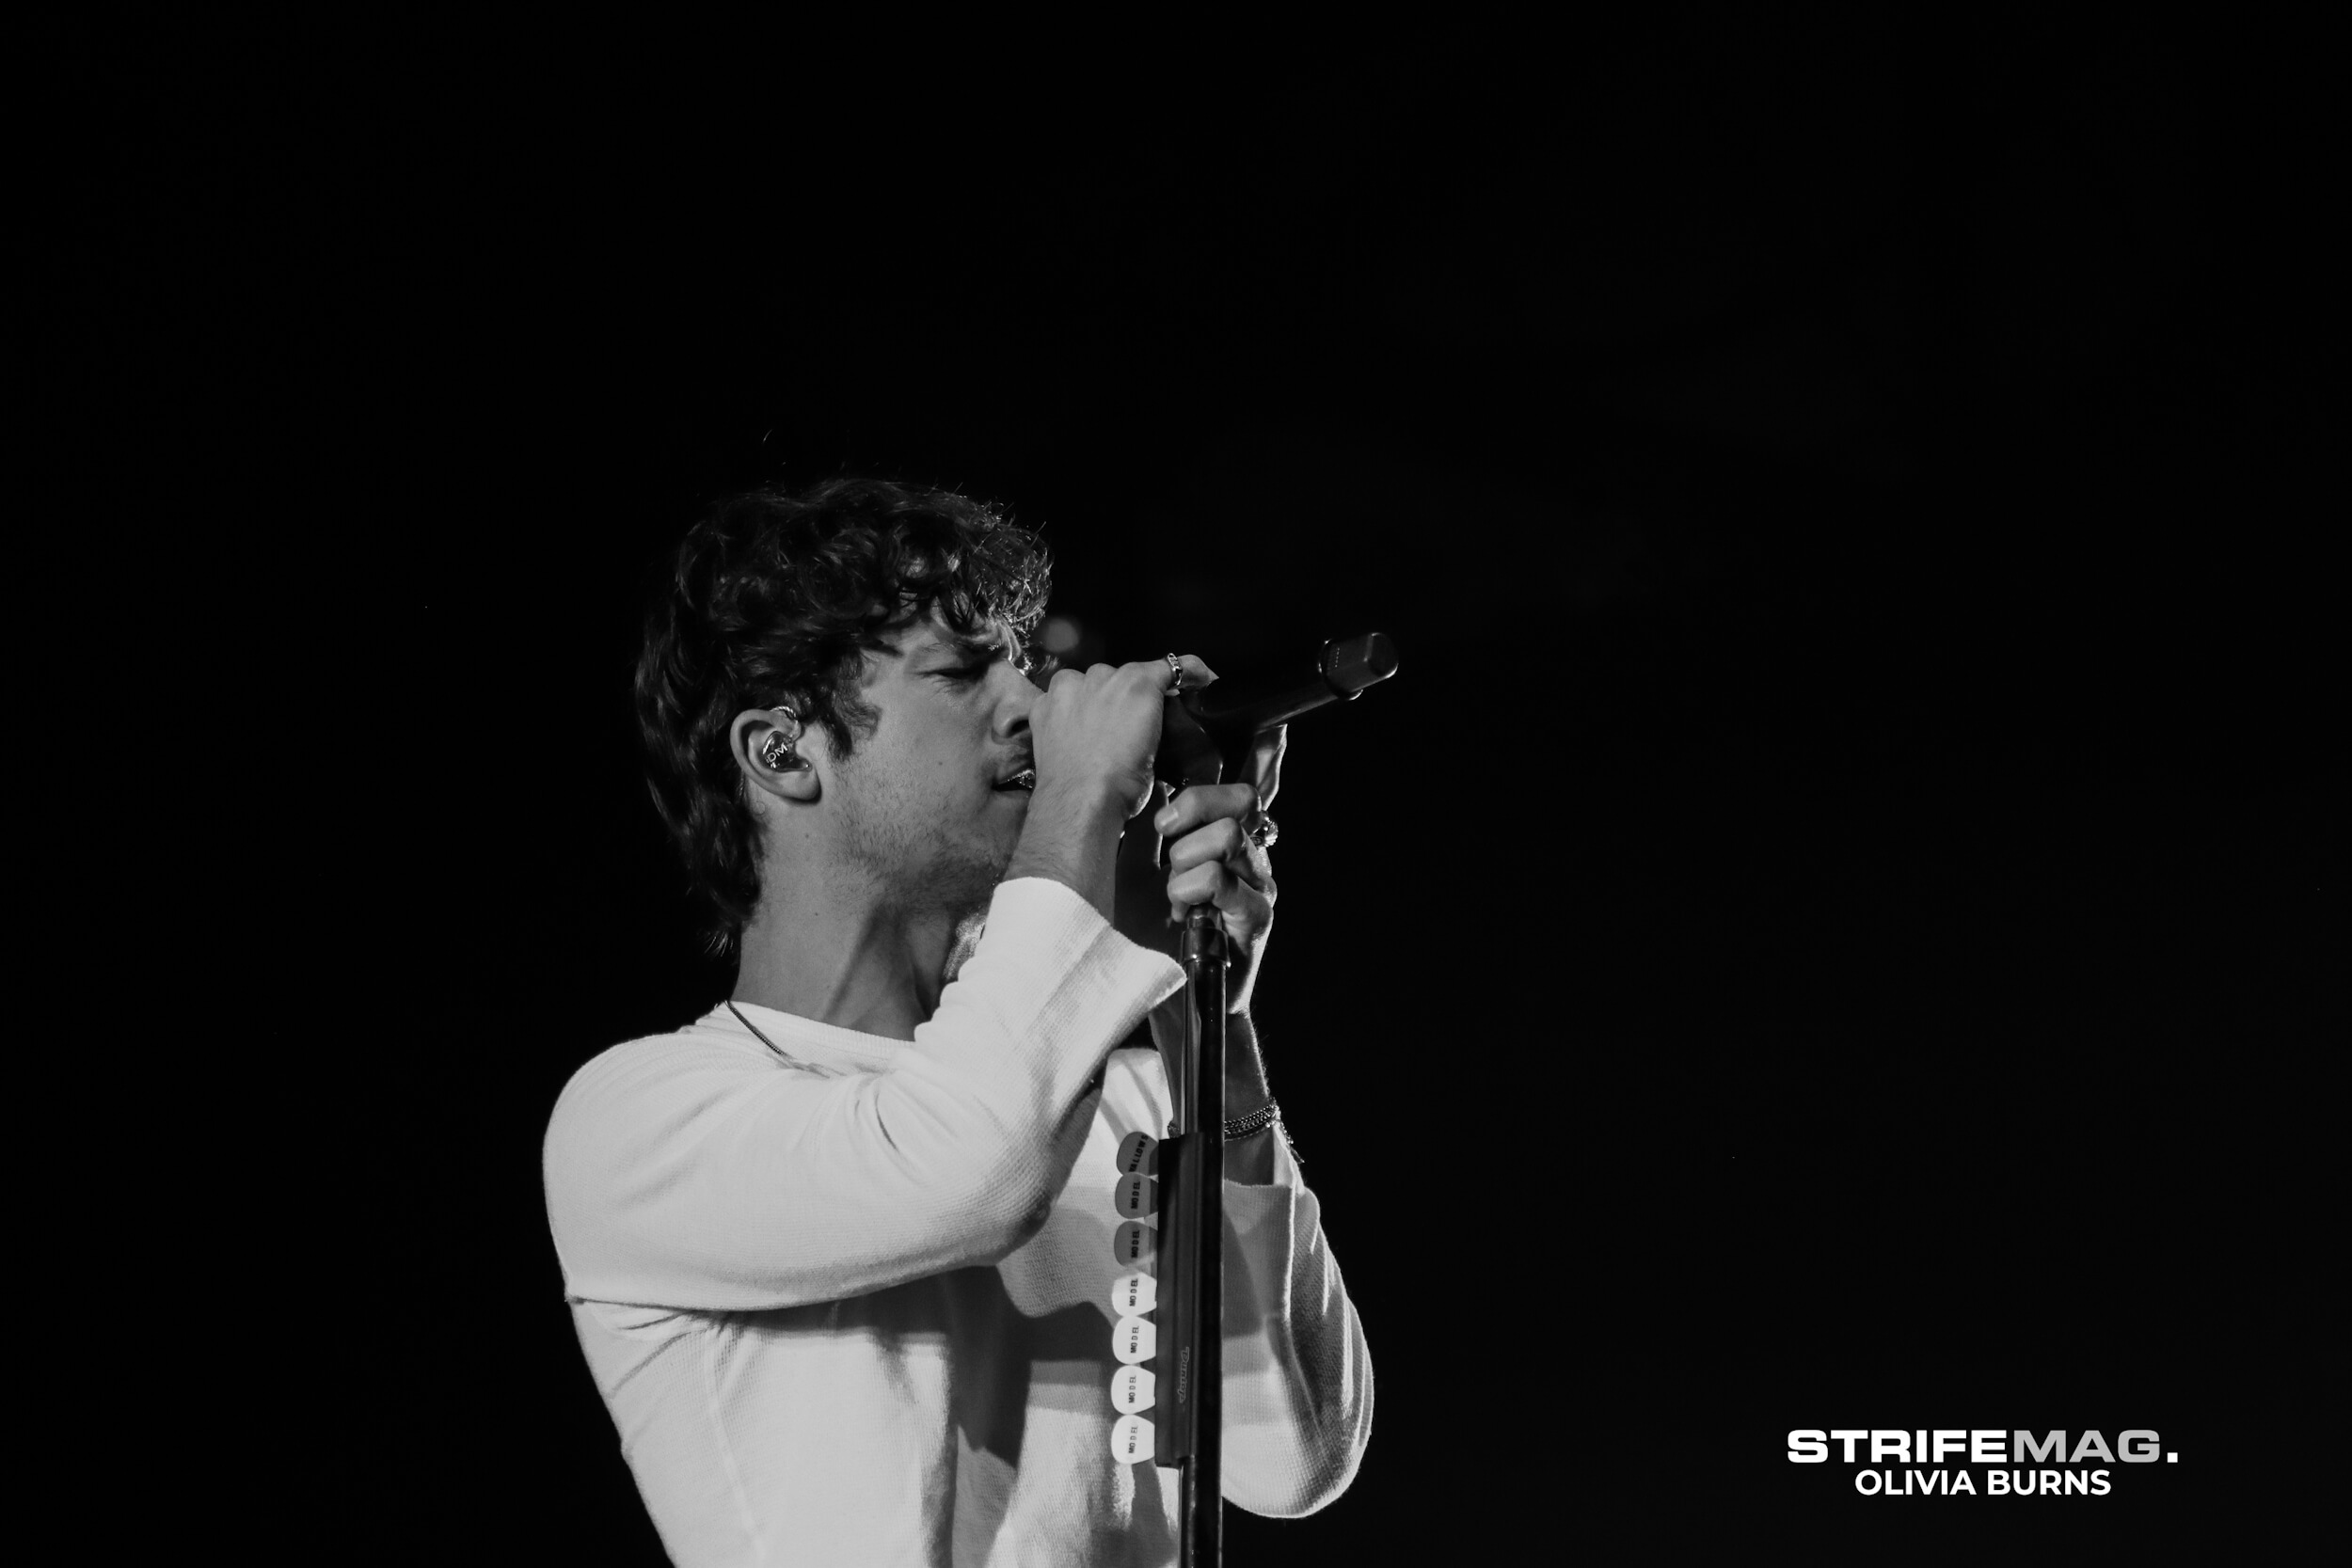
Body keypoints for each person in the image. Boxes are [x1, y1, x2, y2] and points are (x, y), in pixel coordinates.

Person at [543, 477, 1373, 1565]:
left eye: (1022, 662)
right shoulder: (640, 1119)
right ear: (783, 753)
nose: (1032, 705)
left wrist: (1206, 1025)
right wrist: (1079, 809)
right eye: (963, 669)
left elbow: (1294, 1457)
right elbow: (971, 1165)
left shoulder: (1105, 1089)